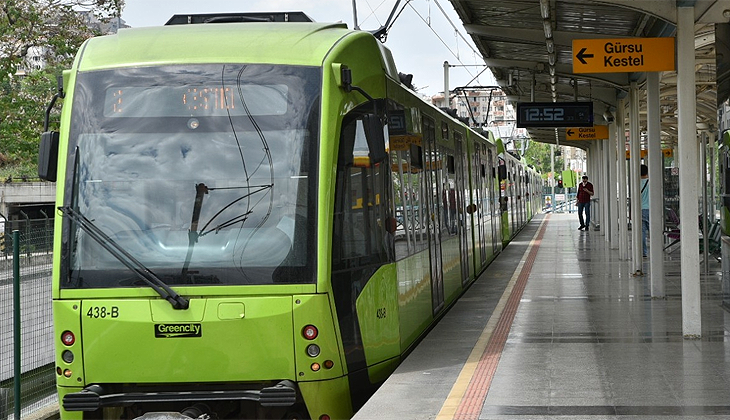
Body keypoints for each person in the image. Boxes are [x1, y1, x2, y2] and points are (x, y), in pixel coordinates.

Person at [640, 164, 649, 257]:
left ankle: (644, 252)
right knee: (654, 231)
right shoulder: (651, 182)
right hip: (651, 210)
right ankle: (656, 249)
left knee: (642, 232)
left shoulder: (636, 183)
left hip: (641, 210)